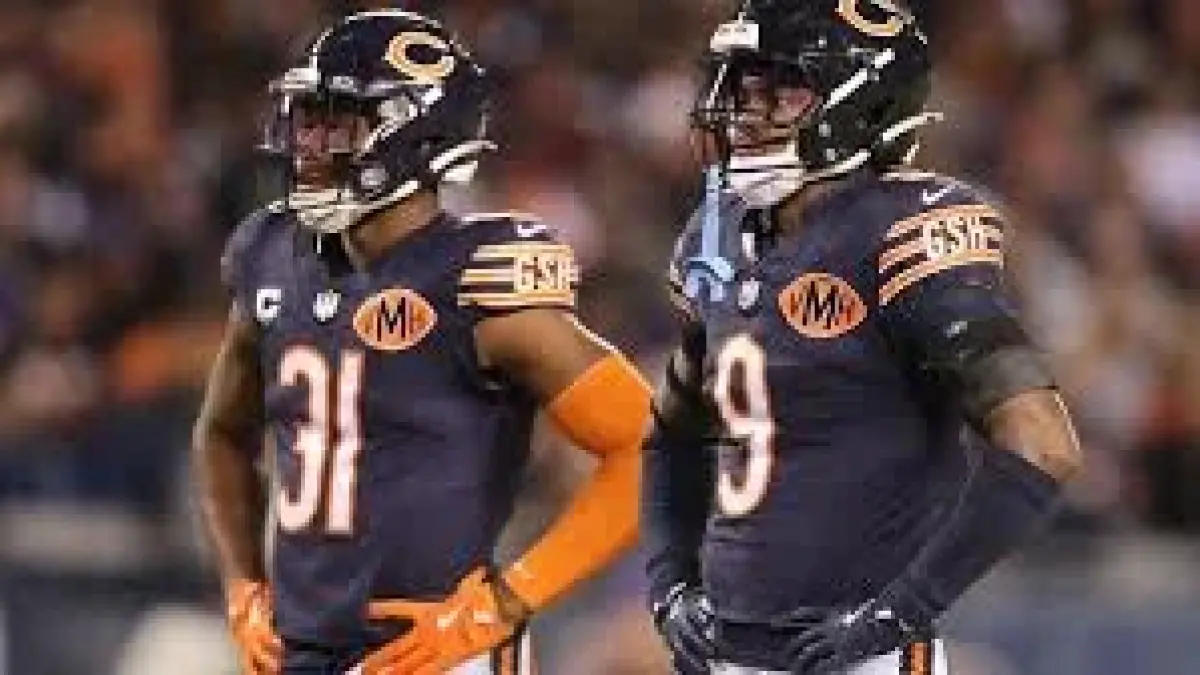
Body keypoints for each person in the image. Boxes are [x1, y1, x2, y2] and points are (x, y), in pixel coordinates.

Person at [191, 10, 650, 674]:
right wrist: (242, 587)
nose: (309, 143)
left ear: (414, 132)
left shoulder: (476, 280)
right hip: (302, 649)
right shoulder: (272, 254)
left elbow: (647, 447)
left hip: (436, 653)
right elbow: (223, 433)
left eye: (337, 122)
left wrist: (508, 600)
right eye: (307, 118)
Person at [641, 1, 1083, 673]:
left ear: (862, 104)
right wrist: (670, 584)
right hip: (726, 650)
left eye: (780, 90)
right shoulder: (720, 231)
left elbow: (1042, 441)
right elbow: (672, 435)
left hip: (857, 656)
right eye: (742, 89)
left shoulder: (903, 227)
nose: (746, 112)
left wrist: (901, 608)